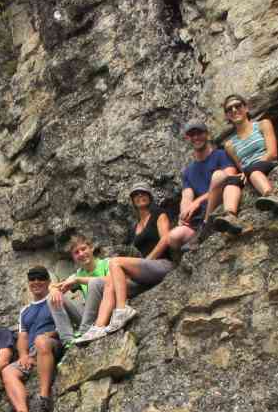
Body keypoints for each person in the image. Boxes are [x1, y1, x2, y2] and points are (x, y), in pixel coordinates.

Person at [103, 184, 175, 333]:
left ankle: (122, 310)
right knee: (108, 282)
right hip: (146, 272)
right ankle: (99, 325)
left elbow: (165, 239)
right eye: (136, 194)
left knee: (115, 262)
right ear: (132, 200)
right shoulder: (134, 228)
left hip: (162, 264)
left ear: (149, 196)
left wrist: (147, 260)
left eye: (143, 193)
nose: (140, 196)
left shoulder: (158, 214)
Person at [212, 94, 278, 234]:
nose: (234, 110)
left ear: (246, 108)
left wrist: (250, 169)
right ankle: (230, 216)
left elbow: (272, 153)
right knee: (230, 181)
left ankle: (270, 195)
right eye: (229, 109)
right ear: (227, 116)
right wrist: (242, 174)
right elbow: (241, 166)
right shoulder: (229, 144)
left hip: (267, 163)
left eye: (238, 106)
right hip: (248, 172)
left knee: (252, 170)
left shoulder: (263, 124)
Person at [2, 266, 62, 412]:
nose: (36, 282)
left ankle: (44, 397)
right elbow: (22, 337)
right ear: (28, 283)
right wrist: (23, 355)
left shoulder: (55, 298)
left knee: (41, 341)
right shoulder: (25, 311)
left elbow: (64, 323)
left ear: (48, 281)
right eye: (32, 279)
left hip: (51, 344)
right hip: (32, 353)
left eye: (41, 278)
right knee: (7, 371)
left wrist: (49, 334)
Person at [167, 120, 239, 252]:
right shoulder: (188, 171)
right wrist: (184, 214)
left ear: (207, 134)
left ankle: (207, 226)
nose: (196, 137)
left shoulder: (220, 154)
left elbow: (230, 176)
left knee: (218, 175)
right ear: (187, 138)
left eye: (199, 133)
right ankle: (197, 242)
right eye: (192, 134)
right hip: (199, 218)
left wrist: (198, 201)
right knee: (173, 237)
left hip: (219, 203)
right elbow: (186, 196)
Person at [47, 235, 115, 346]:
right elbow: (55, 287)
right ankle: (68, 341)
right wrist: (53, 290)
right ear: (73, 257)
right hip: (89, 316)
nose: (81, 254)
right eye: (76, 252)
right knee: (52, 297)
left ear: (91, 248)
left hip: (108, 310)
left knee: (94, 283)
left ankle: (84, 331)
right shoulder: (79, 273)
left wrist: (79, 280)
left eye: (83, 249)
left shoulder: (106, 263)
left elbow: (112, 280)